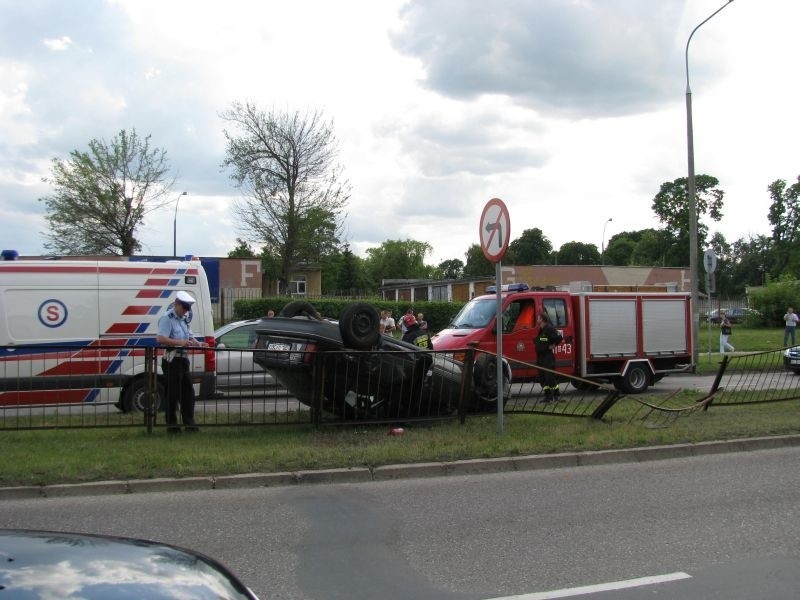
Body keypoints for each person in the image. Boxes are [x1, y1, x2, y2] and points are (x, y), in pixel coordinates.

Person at [156, 290, 207, 434]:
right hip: (172, 361)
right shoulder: (167, 318)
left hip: (183, 361)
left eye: (187, 308)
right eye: (184, 307)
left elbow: (190, 337)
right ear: (176, 304)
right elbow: (161, 339)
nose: (186, 311)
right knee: (172, 395)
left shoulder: (183, 319)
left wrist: (199, 344)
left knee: (188, 394)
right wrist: (180, 342)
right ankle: (172, 427)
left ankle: (190, 424)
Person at [534, 312, 563, 402]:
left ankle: (556, 395)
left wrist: (554, 345)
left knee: (549, 377)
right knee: (542, 378)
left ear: (542, 319)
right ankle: (547, 396)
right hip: (540, 357)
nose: (537, 319)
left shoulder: (549, 328)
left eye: (538, 318)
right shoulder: (541, 330)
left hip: (547, 357)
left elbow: (559, 337)